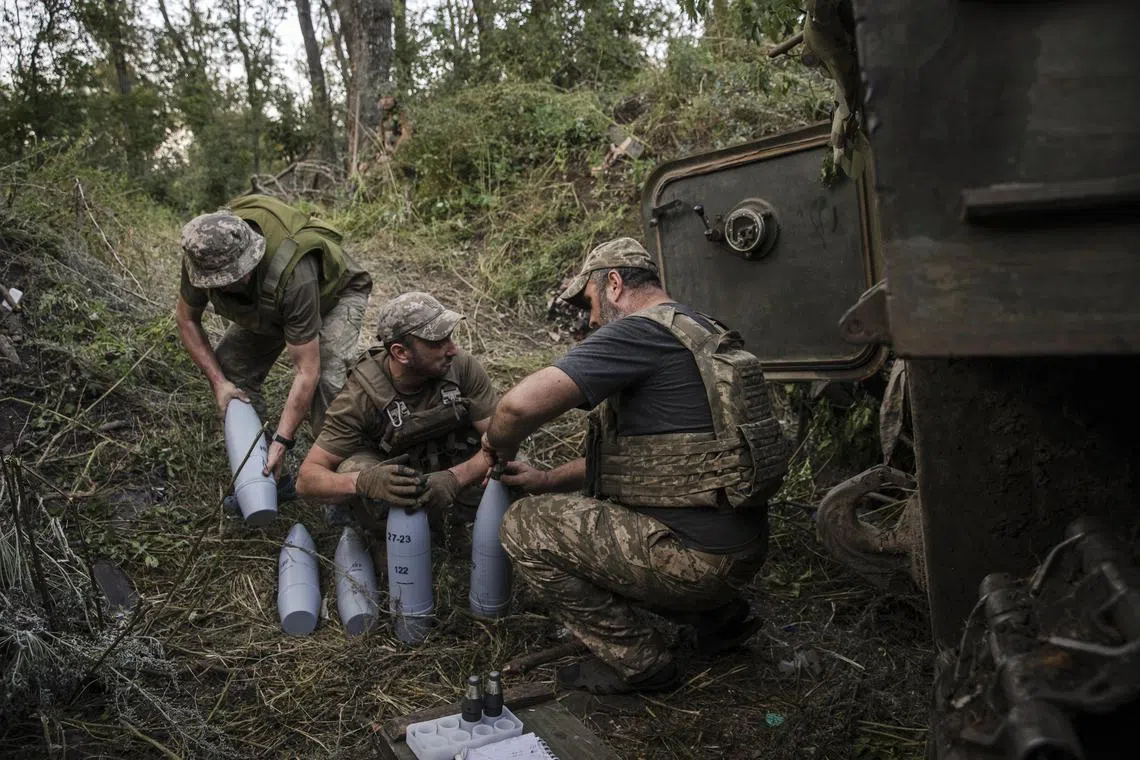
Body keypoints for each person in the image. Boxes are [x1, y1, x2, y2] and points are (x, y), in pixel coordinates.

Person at [482, 238, 790, 694]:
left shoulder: (636, 333)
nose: (590, 319)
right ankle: (715, 618)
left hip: (695, 562)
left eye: (589, 302)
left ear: (613, 283)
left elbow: (516, 409)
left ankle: (640, 662)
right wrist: (546, 479)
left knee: (526, 526)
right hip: (739, 551)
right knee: (601, 515)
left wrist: (495, 445)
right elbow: (651, 461)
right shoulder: (700, 330)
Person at [175, 194, 372, 482]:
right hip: (271, 303)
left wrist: (284, 439)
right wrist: (219, 384)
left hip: (334, 294)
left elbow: (307, 371)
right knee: (231, 371)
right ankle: (265, 477)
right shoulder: (201, 257)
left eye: (242, 269)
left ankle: (340, 483)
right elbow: (186, 319)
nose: (239, 278)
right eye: (227, 278)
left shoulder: (294, 273)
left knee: (329, 381)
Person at [295, 292, 499, 533]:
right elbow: (306, 480)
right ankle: (389, 536)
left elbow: (499, 438)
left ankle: (454, 525)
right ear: (401, 353)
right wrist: (364, 482)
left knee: (512, 469)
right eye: (436, 342)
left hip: (449, 461)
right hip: (394, 478)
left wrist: (456, 477)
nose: (453, 349)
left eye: (450, 337)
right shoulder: (359, 398)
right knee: (352, 470)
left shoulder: (461, 367)